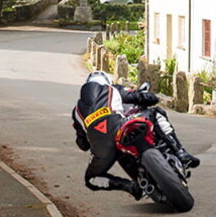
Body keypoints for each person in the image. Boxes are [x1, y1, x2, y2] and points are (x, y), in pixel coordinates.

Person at [71, 71, 200, 199]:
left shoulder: (77, 110)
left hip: (102, 148)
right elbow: (141, 97)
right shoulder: (112, 89)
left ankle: (130, 187)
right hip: (119, 127)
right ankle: (180, 152)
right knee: (156, 112)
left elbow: (82, 144)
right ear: (107, 81)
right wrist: (152, 97)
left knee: (91, 178)